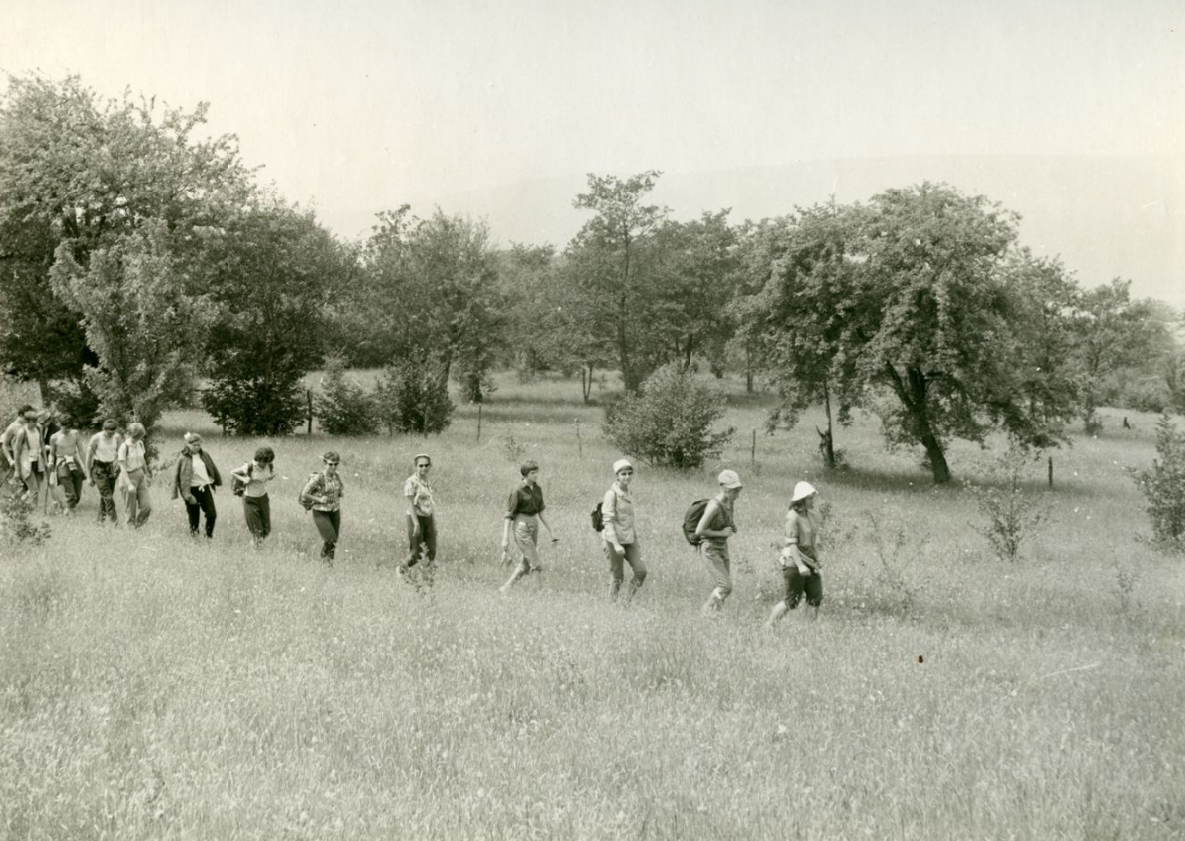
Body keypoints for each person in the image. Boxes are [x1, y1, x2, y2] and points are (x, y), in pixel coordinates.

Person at [768, 482, 823, 625]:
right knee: (791, 601)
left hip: (810, 561)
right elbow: (791, 544)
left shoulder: (810, 515)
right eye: (810, 498)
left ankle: (807, 628)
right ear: (802, 499)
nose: (813, 501)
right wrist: (800, 566)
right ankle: (769, 626)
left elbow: (812, 540)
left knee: (815, 596)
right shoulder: (792, 517)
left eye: (813, 498)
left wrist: (816, 559)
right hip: (795, 563)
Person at [499, 459, 557, 594]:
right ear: (525, 474)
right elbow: (509, 515)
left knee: (525, 564)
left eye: (537, 472)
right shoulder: (517, 490)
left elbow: (541, 511)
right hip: (521, 526)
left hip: (534, 525)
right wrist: (505, 538)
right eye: (532, 473)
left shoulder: (537, 489)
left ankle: (505, 588)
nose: (536, 475)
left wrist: (552, 531)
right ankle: (539, 592)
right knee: (535, 561)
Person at [695, 469, 743, 614]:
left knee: (722, 585)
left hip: (723, 547)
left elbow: (727, 520)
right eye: (733, 490)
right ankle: (705, 611)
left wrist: (732, 526)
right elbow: (699, 531)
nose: (737, 494)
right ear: (724, 488)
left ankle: (716, 614)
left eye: (738, 490)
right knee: (725, 586)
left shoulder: (730, 502)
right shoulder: (714, 506)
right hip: (711, 548)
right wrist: (721, 533)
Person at [602, 458, 646, 603]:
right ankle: (611, 603)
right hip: (614, 540)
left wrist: (635, 540)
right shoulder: (611, 494)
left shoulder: (629, 492)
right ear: (617, 476)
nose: (627, 477)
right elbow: (608, 521)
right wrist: (615, 544)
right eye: (623, 474)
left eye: (629, 473)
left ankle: (626, 602)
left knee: (641, 571)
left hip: (630, 538)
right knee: (617, 576)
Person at [171, 432, 222, 539]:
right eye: (195, 445)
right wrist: (187, 495)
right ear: (188, 445)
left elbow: (212, 467)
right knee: (194, 517)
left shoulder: (205, 455)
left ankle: (208, 536)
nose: (197, 447)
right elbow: (178, 477)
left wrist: (213, 479)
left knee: (212, 514)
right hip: (191, 490)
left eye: (199, 445)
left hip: (204, 489)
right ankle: (195, 538)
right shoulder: (183, 458)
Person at [301, 451, 344, 565]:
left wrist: (339, 493)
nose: (333, 467)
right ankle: (324, 561)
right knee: (330, 538)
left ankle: (328, 563)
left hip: (334, 510)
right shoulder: (318, 478)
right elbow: (304, 493)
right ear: (325, 463)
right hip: (320, 511)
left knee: (333, 540)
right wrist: (319, 499)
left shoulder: (336, 476)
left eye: (336, 464)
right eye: (330, 464)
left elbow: (339, 490)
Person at [231, 446, 276, 547]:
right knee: (257, 530)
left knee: (267, 529)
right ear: (258, 459)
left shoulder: (269, 465)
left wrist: (271, 476)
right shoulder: (250, 466)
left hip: (263, 498)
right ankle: (257, 549)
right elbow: (232, 472)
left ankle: (254, 544)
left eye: (267, 461)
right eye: (263, 461)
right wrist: (243, 480)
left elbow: (270, 474)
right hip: (250, 499)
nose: (264, 464)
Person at [403, 453, 437, 571]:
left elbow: (429, 502)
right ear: (416, 466)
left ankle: (427, 575)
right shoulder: (411, 482)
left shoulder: (427, 481)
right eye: (421, 466)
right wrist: (416, 523)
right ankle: (402, 570)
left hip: (428, 517)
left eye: (426, 465)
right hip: (416, 517)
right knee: (416, 552)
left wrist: (432, 521)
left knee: (431, 549)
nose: (424, 468)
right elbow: (410, 504)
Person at [86, 419, 123, 524]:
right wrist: (89, 476)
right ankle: (115, 522)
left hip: (111, 468)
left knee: (106, 496)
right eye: (109, 433)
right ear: (104, 429)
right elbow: (88, 458)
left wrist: (118, 465)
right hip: (99, 468)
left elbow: (120, 453)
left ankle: (99, 520)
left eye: (113, 432)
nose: (111, 435)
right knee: (108, 496)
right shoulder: (96, 438)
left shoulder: (117, 437)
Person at [117, 422, 152, 528]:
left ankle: (138, 526)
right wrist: (129, 484)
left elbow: (143, 460)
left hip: (140, 475)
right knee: (130, 510)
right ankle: (130, 529)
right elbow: (122, 467)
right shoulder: (124, 447)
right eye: (139, 436)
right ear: (132, 434)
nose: (140, 438)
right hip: (128, 476)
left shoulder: (140, 444)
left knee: (147, 507)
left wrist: (147, 475)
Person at [11, 406, 47, 508]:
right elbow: (16, 451)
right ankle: (24, 508)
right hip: (26, 462)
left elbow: (42, 444)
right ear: (27, 421)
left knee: (36, 489)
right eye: (33, 422)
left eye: (36, 421)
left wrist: (46, 460)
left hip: (37, 461)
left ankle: (20, 504)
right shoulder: (22, 432)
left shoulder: (38, 429)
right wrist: (17, 470)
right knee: (34, 489)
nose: (35, 423)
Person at [49, 424, 89, 512]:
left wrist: (86, 465)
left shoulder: (75, 434)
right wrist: (51, 462)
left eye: (69, 427)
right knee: (70, 492)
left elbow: (81, 450)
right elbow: (51, 454)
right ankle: (70, 513)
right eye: (65, 427)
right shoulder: (54, 437)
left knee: (77, 494)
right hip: (62, 462)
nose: (67, 430)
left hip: (73, 461)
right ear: (60, 425)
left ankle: (69, 506)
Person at [1, 404, 34, 489]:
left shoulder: (28, 425)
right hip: (21, 459)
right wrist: (10, 460)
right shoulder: (12, 427)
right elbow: (4, 445)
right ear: (21, 415)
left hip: (32, 457)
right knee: (31, 487)